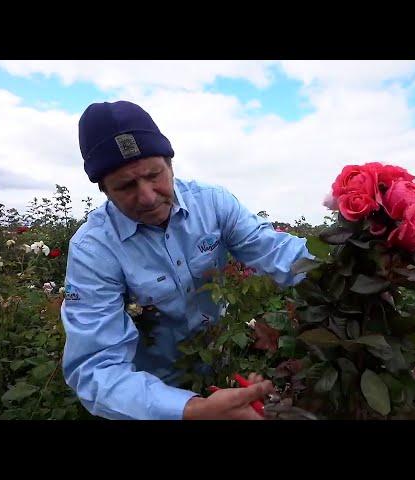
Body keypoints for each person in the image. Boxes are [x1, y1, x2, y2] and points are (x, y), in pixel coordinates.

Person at [60, 100, 311, 420]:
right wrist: (194, 410)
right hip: (147, 396)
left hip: (219, 365)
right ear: (104, 190)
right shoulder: (93, 249)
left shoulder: (213, 204)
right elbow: (96, 369)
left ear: (170, 164)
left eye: (154, 175)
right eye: (126, 186)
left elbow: (276, 252)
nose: (148, 196)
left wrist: (344, 268)